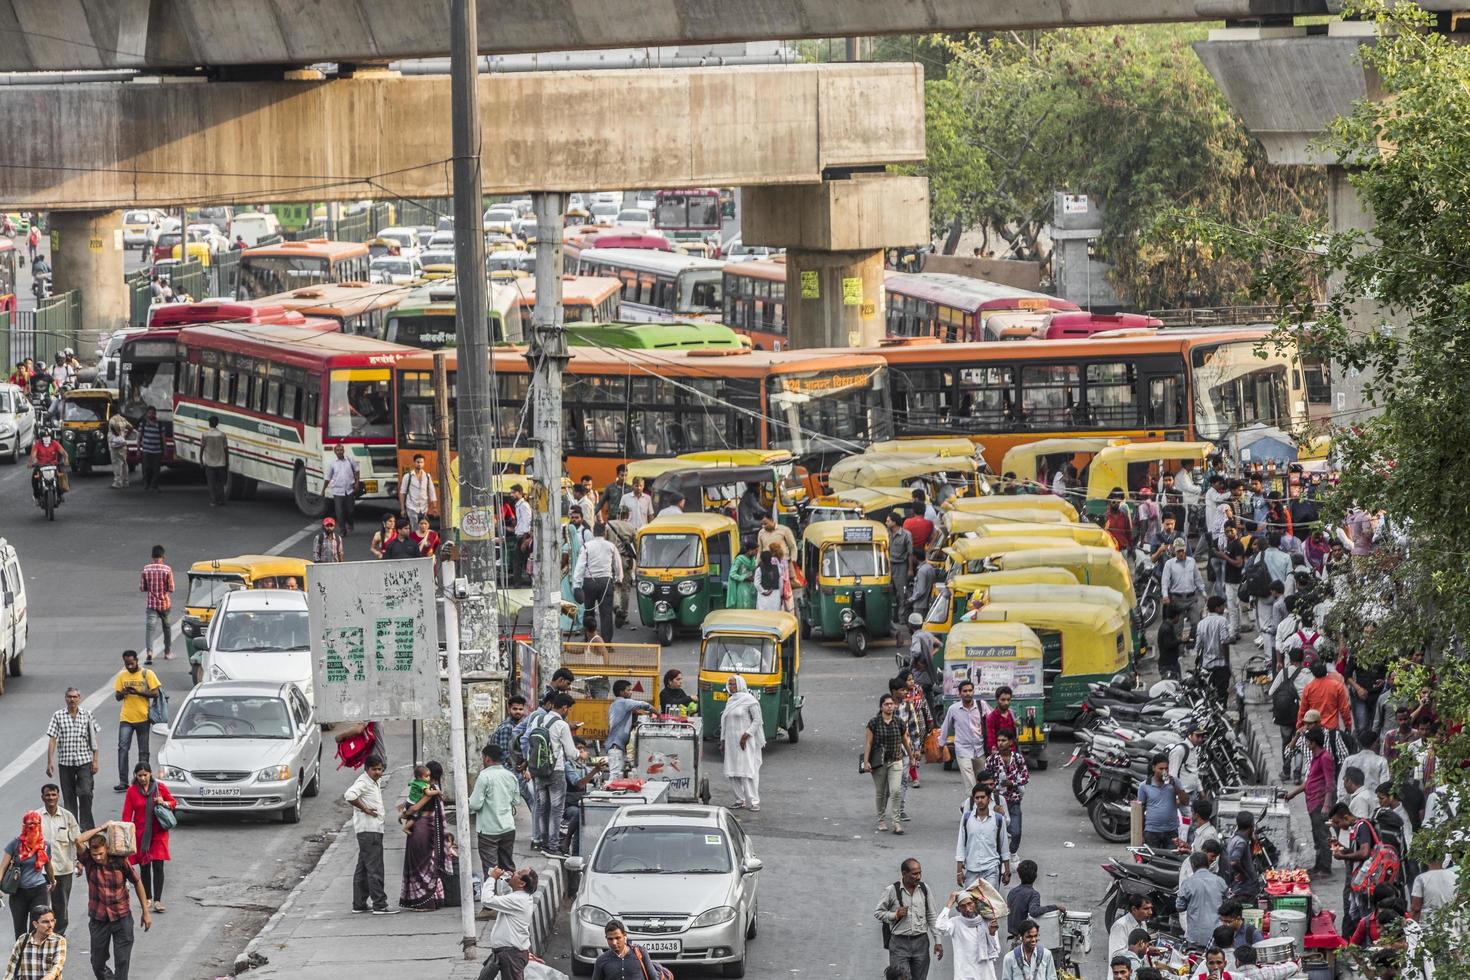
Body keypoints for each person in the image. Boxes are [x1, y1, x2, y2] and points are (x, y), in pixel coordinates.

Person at [76, 822, 150, 980]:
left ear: (107, 849)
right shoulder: (88, 861)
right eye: (94, 854)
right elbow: (78, 840)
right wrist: (103, 828)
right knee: (97, 962)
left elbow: (137, 882)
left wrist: (145, 911)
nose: (97, 857)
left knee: (122, 960)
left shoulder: (120, 861)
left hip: (122, 917)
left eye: (100, 854)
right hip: (98, 919)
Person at [344, 758, 397, 914]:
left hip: (370, 830)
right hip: (370, 831)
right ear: (366, 769)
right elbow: (350, 795)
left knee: (363, 868)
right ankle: (380, 904)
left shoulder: (374, 781)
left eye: (380, 769)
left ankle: (359, 903)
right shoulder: (364, 782)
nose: (378, 772)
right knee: (375, 868)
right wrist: (365, 809)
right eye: (374, 769)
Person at [120, 762, 175, 913]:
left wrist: (163, 802)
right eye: (140, 776)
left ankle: (158, 900)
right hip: (141, 835)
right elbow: (126, 815)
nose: (143, 778)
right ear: (135, 776)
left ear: (150, 774)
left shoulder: (159, 788)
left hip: (159, 833)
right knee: (144, 866)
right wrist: (126, 834)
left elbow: (173, 802)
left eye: (145, 775)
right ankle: (148, 898)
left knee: (158, 865)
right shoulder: (132, 791)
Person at [875, 859, 941, 980]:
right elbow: (878, 913)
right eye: (914, 874)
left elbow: (931, 915)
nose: (918, 877)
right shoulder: (891, 890)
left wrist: (938, 940)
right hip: (899, 944)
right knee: (900, 977)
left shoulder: (924, 889)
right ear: (904, 874)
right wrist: (895, 915)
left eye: (920, 873)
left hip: (921, 943)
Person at [45, 687, 99, 830]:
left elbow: (93, 739)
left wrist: (95, 760)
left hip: (84, 761)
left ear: (79, 698)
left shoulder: (87, 715)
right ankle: (73, 827)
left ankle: (87, 826)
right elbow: (52, 739)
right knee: (69, 797)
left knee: (86, 793)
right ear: (65, 698)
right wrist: (50, 761)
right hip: (65, 762)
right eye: (69, 697)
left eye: (75, 697)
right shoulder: (58, 715)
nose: (72, 699)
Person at [1284, 726, 1335, 875]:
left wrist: (1326, 804)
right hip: (1312, 801)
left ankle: (1325, 866)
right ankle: (1319, 865)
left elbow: (1329, 783)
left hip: (1319, 802)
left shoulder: (1325, 758)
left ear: (1313, 742)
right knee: (1316, 834)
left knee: (1322, 835)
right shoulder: (1315, 757)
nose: (1306, 743)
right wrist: (1292, 794)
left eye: (1307, 741)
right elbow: (1309, 782)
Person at [531, 694, 577, 856]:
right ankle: (553, 845)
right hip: (556, 771)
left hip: (538, 770)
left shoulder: (537, 720)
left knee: (543, 807)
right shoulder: (561, 725)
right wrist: (581, 755)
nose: (568, 712)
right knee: (556, 810)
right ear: (564, 708)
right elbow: (571, 753)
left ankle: (542, 842)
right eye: (569, 709)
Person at [399, 760, 448, 911]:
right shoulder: (436, 789)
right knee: (428, 863)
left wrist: (404, 814)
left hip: (421, 828)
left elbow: (415, 808)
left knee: (420, 864)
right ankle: (434, 899)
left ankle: (425, 902)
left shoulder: (429, 789)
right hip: (430, 827)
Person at [0, 812, 55, 941]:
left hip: (38, 890)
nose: (33, 827)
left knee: (37, 928)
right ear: (24, 825)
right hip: (18, 892)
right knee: (20, 931)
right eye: (30, 824)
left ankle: (35, 957)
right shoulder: (15, 844)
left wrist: (53, 881)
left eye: (36, 824)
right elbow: (3, 867)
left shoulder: (45, 845)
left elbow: (48, 865)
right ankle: (21, 958)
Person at [476, 866, 537, 980]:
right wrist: (506, 880)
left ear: (522, 884)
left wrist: (492, 878)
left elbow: (487, 900)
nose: (514, 873)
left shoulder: (518, 900)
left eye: (518, 874)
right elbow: (507, 895)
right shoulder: (519, 897)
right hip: (506, 953)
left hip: (511, 954)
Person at [112, 650, 159, 792]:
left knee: (143, 751)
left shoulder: (147, 674)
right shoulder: (122, 675)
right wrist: (124, 692)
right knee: (123, 749)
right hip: (126, 718)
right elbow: (117, 697)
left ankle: (143, 778)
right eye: (127, 664)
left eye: (131, 663)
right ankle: (123, 781)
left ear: (137, 661)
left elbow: (155, 693)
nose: (129, 666)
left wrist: (137, 692)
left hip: (143, 717)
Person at [863, 693, 912, 833]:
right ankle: (882, 820)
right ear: (881, 707)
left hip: (896, 761)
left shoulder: (899, 722)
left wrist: (911, 756)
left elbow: (905, 741)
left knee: (896, 791)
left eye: (891, 704)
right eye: (886, 704)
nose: (889, 706)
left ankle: (896, 823)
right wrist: (866, 762)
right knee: (881, 793)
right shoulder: (874, 723)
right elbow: (868, 743)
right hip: (879, 763)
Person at [37, 784, 78, 936]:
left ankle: (59, 935)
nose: (51, 798)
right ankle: (42, 935)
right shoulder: (36, 817)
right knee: (41, 906)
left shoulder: (67, 817)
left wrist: (79, 862)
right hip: (40, 871)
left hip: (63, 869)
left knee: (61, 906)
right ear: (42, 797)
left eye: (54, 795)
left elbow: (77, 841)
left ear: (58, 796)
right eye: (47, 795)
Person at [719, 675, 765, 811]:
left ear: (740, 684)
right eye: (729, 684)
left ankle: (754, 801)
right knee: (732, 771)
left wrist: (746, 735)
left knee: (747, 770)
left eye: (733, 684)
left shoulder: (750, 700)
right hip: (731, 741)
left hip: (745, 741)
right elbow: (725, 722)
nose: (731, 686)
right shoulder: (730, 701)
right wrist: (722, 740)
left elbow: (757, 720)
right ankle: (740, 799)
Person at [574, 522, 623, 642]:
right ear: (605, 532)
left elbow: (580, 566)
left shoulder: (586, 546)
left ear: (593, 532)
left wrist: (577, 585)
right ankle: (606, 643)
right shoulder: (611, 546)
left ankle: (588, 639)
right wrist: (619, 579)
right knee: (606, 615)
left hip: (589, 582)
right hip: (606, 583)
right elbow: (618, 564)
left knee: (589, 613)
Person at [936, 887, 999, 980]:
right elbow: (939, 926)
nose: (967, 908)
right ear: (958, 909)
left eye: (969, 903)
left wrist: (992, 934)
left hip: (985, 972)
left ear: (975, 903)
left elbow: (997, 950)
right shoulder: (955, 923)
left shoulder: (987, 922)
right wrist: (950, 902)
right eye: (963, 906)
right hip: (964, 973)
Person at [955, 784, 1010, 889]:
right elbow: (961, 844)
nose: (980, 800)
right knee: (972, 904)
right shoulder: (967, 818)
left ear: (989, 798)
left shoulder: (998, 819)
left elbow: (1004, 845)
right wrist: (959, 871)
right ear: (974, 799)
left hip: (991, 869)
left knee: (989, 903)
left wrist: (1007, 870)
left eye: (982, 797)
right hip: (971, 869)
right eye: (977, 798)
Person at [939, 679, 986, 793]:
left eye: (970, 690)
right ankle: (972, 807)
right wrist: (941, 745)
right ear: (960, 693)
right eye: (965, 691)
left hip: (980, 750)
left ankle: (981, 808)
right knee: (971, 784)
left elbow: (992, 720)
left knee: (983, 782)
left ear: (973, 692)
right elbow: (945, 727)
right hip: (962, 750)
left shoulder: (981, 705)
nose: (968, 693)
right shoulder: (953, 709)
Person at [984, 732, 1028, 854]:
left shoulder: (1018, 758)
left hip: (1014, 800)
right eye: (998, 740)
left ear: (1010, 742)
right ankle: (999, 857)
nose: (1000, 743)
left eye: (1003, 740)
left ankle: (1012, 853)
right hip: (997, 802)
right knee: (995, 833)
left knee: (1016, 832)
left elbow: (1025, 777)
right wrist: (992, 786)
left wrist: (1012, 782)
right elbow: (984, 779)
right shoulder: (991, 760)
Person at [1175, 852, 1228, 946]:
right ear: (1208, 864)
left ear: (1192, 865)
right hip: (1217, 935)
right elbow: (1228, 902)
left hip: (1195, 936)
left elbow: (1180, 907)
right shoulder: (1219, 881)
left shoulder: (1187, 883)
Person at [1137, 754, 1187, 850]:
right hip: (1151, 831)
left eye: (1166, 768)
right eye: (1161, 769)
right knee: (1152, 861)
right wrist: (1140, 833)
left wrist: (1175, 787)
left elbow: (1185, 801)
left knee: (1171, 861)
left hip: (1171, 831)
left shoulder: (1175, 781)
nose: (1164, 771)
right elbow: (1140, 810)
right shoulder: (1144, 786)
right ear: (1153, 768)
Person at [590, 919, 667, 980]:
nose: (614, 942)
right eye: (610, 939)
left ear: (625, 936)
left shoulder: (640, 953)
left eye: (617, 938)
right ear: (606, 938)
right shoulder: (601, 960)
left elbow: (654, 977)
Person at [3, 905, 65, 980]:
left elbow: (57, 968)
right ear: (35, 924)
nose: (50, 925)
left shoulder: (59, 940)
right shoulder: (23, 940)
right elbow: (11, 970)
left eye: (52, 921)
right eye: (45, 922)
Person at [1005, 859, 1062, 940]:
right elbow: (1034, 911)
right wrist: (1056, 907)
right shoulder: (1033, 894)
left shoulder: (1012, 892)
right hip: (1024, 936)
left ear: (1019, 875)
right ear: (1035, 876)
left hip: (1014, 933)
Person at [605, 680, 651, 776]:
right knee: (614, 775)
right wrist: (658, 715)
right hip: (615, 747)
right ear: (622, 692)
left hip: (618, 747)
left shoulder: (616, 704)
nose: (631, 692)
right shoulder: (624, 702)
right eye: (628, 690)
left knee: (619, 775)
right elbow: (646, 705)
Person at [138, 546, 174, 666]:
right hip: (165, 605)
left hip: (151, 604)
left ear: (152, 557)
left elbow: (143, 588)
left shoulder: (146, 569)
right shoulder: (167, 570)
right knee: (167, 628)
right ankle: (167, 652)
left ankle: (149, 652)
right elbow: (171, 588)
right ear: (163, 556)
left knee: (150, 630)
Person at [1161, 540, 1206, 634]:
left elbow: (1198, 579)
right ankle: (1180, 647)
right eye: (1178, 551)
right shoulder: (1169, 564)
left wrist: (1204, 593)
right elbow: (1165, 582)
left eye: (1182, 550)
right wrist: (1165, 595)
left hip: (1191, 598)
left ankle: (1194, 645)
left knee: (1197, 624)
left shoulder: (1191, 561)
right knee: (1177, 628)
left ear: (1185, 550)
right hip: (1177, 599)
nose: (1181, 553)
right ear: (1174, 551)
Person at [1297, 659, 1352, 733]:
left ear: (1312, 673)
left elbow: (1302, 711)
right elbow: (1344, 709)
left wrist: (1299, 726)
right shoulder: (1337, 686)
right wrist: (1348, 725)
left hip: (1314, 729)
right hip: (1332, 728)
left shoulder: (1308, 688)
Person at [1194, 596, 1232, 701]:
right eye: (1222, 606)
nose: (1224, 608)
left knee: (1210, 695)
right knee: (1222, 693)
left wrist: (1199, 664)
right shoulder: (1222, 621)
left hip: (1206, 666)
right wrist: (1227, 662)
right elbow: (1225, 642)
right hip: (1221, 665)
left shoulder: (1201, 623)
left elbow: (1198, 646)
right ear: (1216, 608)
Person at [1220, 812, 1262, 901]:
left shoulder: (1235, 839)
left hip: (1240, 888)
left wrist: (1252, 841)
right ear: (1252, 826)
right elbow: (1234, 861)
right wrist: (1243, 873)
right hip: (1244, 890)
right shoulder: (1241, 842)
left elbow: (1247, 858)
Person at [322, 443, 361, 533]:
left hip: (349, 490)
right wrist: (323, 490)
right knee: (339, 512)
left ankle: (350, 523)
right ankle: (342, 530)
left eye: (341, 450)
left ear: (343, 451)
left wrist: (357, 483)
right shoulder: (332, 464)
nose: (340, 452)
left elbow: (357, 470)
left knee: (350, 511)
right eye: (338, 450)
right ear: (335, 452)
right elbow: (327, 478)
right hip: (337, 491)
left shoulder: (349, 460)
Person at [397, 453, 437, 529]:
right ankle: (414, 540)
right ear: (414, 463)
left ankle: (421, 540)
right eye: (418, 462)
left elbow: (432, 492)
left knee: (423, 527)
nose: (419, 464)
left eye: (421, 462)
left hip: (424, 507)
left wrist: (434, 507)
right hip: (411, 507)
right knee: (414, 527)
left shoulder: (427, 476)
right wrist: (402, 509)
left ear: (424, 463)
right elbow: (402, 493)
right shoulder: (407, 476)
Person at [888, 514, 914, 628]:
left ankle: (902, 618)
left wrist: (910, 569)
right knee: (889, 592)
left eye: (888, 521)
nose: (886, 523)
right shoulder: (887, 534)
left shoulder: (906, 535)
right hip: (888, 565)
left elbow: (910, 554)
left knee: (901, 593)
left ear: (894, 522)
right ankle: (891, 618)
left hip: (901, 566)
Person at [28, 427, 68, 503]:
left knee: (62, 475)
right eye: (44, 437)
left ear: (51, 437)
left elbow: (64, 453)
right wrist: (30, 463)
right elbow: (33, 455)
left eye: (48, 436)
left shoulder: (55, 443)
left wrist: (66, 459)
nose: (46, 438)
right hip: (41, 466)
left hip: (54, 465)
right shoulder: (37, 445)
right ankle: (36, 495)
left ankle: (60, 494)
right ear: (41, 438)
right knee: (34, 479)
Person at [1108, 894, 1154, 959]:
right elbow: (1116, 955)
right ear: (1134, 909)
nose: (1150, 912)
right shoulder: (1120, 926)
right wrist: (1146, 950)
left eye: (1150, 908)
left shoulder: (1143, 922)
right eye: (1146, 909)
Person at [199, 415, 229, 506]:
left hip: (209, 463)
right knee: (220, 483)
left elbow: (202, 448)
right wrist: (227, 461)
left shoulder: (205, 434)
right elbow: (226, 449)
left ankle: (214, 501)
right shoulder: (222, 435)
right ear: (217, 424)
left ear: (209, 423)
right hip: (221, 462)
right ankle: (221, 500)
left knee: (211, 484)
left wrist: (200, 460)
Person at [136, 407, 165, 492]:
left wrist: (165, 449)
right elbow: (139, 436)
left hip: (157, 451)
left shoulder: (160, 424)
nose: (151, 414)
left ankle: (154, 486)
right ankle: (146, 484)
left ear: (155, 414)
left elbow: (163, 437)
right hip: (146, 450)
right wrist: (138, 449)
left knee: (156, 470)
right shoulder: (143, 423)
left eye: (153, 413)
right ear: (147, 414)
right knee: (146, 468)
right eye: (150, 413)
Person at [1231, 944, 1300, 980]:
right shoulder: (1264, 973)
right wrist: (1277, 965)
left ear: (1237, 961)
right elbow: (1293, 966)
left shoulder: (1230, 976)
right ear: (1256, 959)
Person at [984, 686, 1017, 755]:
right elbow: (991, 740)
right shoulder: (991, 718)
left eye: (1008, 699)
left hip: (1012, 752)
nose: (1006, 703)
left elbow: (1014, 736)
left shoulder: (1012, 714)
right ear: (997, 699)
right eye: (1003, 700)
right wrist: (995, 755)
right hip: (999, 755)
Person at [510, 485, 533, 583]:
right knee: (519, 560)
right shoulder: (518, 505)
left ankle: (519, 581)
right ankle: (519, 580)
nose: (511, 495)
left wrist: (525, 539)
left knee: (520, 559)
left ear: (519, 492)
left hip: (523, 536)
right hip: (520, 535)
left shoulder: (523, 505)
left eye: (513, 492)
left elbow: (527, 522)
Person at [107, 411, 134, 489]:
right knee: (124, 463)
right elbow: (131, 428)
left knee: (116, 463)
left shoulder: (112, 420)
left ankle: (118, 482)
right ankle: (126, 481)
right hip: (122, 444)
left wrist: (117, 436)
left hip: (115, 445)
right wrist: (124, 437)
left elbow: (113, 430)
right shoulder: (123, 419)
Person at [1157, 604, 1184, 679]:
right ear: (1175, 616)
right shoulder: (1166, 629)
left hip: (1172, 663)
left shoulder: (1167, 626)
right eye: (1178, 616)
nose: (1179, 619)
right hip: (1168, 665)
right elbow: (1168, 645)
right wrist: (1181, 640)